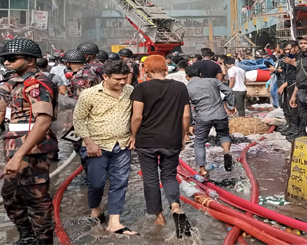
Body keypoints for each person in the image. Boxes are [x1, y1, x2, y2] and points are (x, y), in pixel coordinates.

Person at [0, 39, 58, 245]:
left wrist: (20, 155)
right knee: (10, 196)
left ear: (30, 60)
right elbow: (0, 109)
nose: (6, 62)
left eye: (12, 59)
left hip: (32, 149)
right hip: (13, 145)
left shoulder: (38, 83)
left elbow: (43, 122)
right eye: (5, 59)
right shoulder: (11, 83)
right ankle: (27, 236)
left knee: (36, 199)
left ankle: (44, 240)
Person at [128, 55, 192, 238]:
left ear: (146, 71)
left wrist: (133, 136)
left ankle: (159, 217)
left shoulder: (141, 88)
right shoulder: (180, 87)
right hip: (171, 139)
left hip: (146, 140)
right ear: (166, 69)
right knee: (169, 176)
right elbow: (186, 116)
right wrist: (183, 136)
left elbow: (137, 117)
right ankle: (175, 207)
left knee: (150, 179)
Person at [74, 61, 138, 236]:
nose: (122, 82)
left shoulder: (130, 92)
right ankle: (96, 209)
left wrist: (134, 136)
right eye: (118, 79)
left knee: (120, 182)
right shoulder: (89, 94)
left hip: (122, 145)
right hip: (97, 146)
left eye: (125, 78)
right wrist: (88, 142)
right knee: (97, 183)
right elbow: (78, 120)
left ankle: (114, 222)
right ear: (105, 77)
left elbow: (136, 116)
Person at [186, 66, 236, 177]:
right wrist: (231, 105)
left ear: (186, 76)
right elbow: (229, 91)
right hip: (220, 115)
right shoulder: (213, 81)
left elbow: (187, 108)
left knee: (199, 142)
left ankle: (203, 170)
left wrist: (190, 124)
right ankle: (227, 152)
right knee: (223, 135)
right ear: (200, 74)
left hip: (203, 117)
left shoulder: (187, 88)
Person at [276, 40, 299, 136]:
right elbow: (286, 73)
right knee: (287, 108)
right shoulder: (287, 58)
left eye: (289, 49)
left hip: (296, 86)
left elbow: (299, 74)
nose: (287, 52)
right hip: (288, 85)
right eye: (286, 50)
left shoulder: (299, 59)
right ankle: (291, 126)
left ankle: (296, 129)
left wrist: (294, 63)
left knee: (295, 109)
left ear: (296, 48)